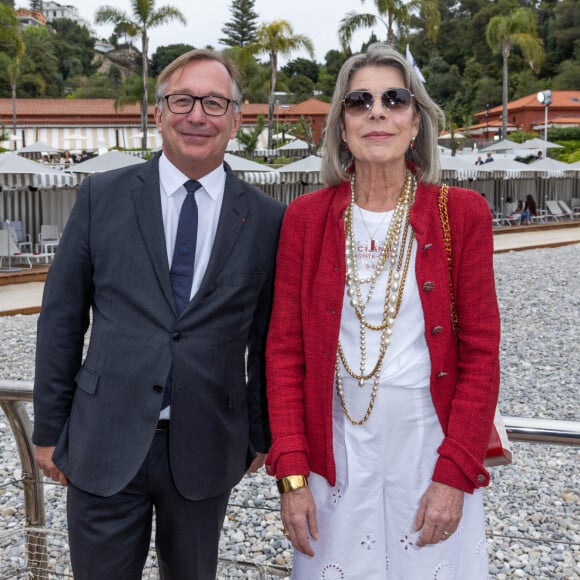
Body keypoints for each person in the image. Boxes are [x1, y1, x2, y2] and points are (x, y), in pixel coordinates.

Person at [33, 48, 285, 580]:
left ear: (236, 119)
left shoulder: (267, 219)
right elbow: (61, 318)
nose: (197, 115)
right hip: (102, 439)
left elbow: (268, 338)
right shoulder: (102, 196)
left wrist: (259, 434)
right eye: (182, 100)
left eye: (214, 103)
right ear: (158, 113)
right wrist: (49, 428)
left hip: (208, 448)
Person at [265, 43, 500, 579]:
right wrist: (293, 477)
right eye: (359, 101)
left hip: (429, 446)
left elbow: (482, 352)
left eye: (394, 99)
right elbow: (283, 354)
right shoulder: (305, 218)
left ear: (415, 123)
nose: (377, 111)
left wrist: (455, 474)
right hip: (335, 452)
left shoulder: (462, 214)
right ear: (341, 127)